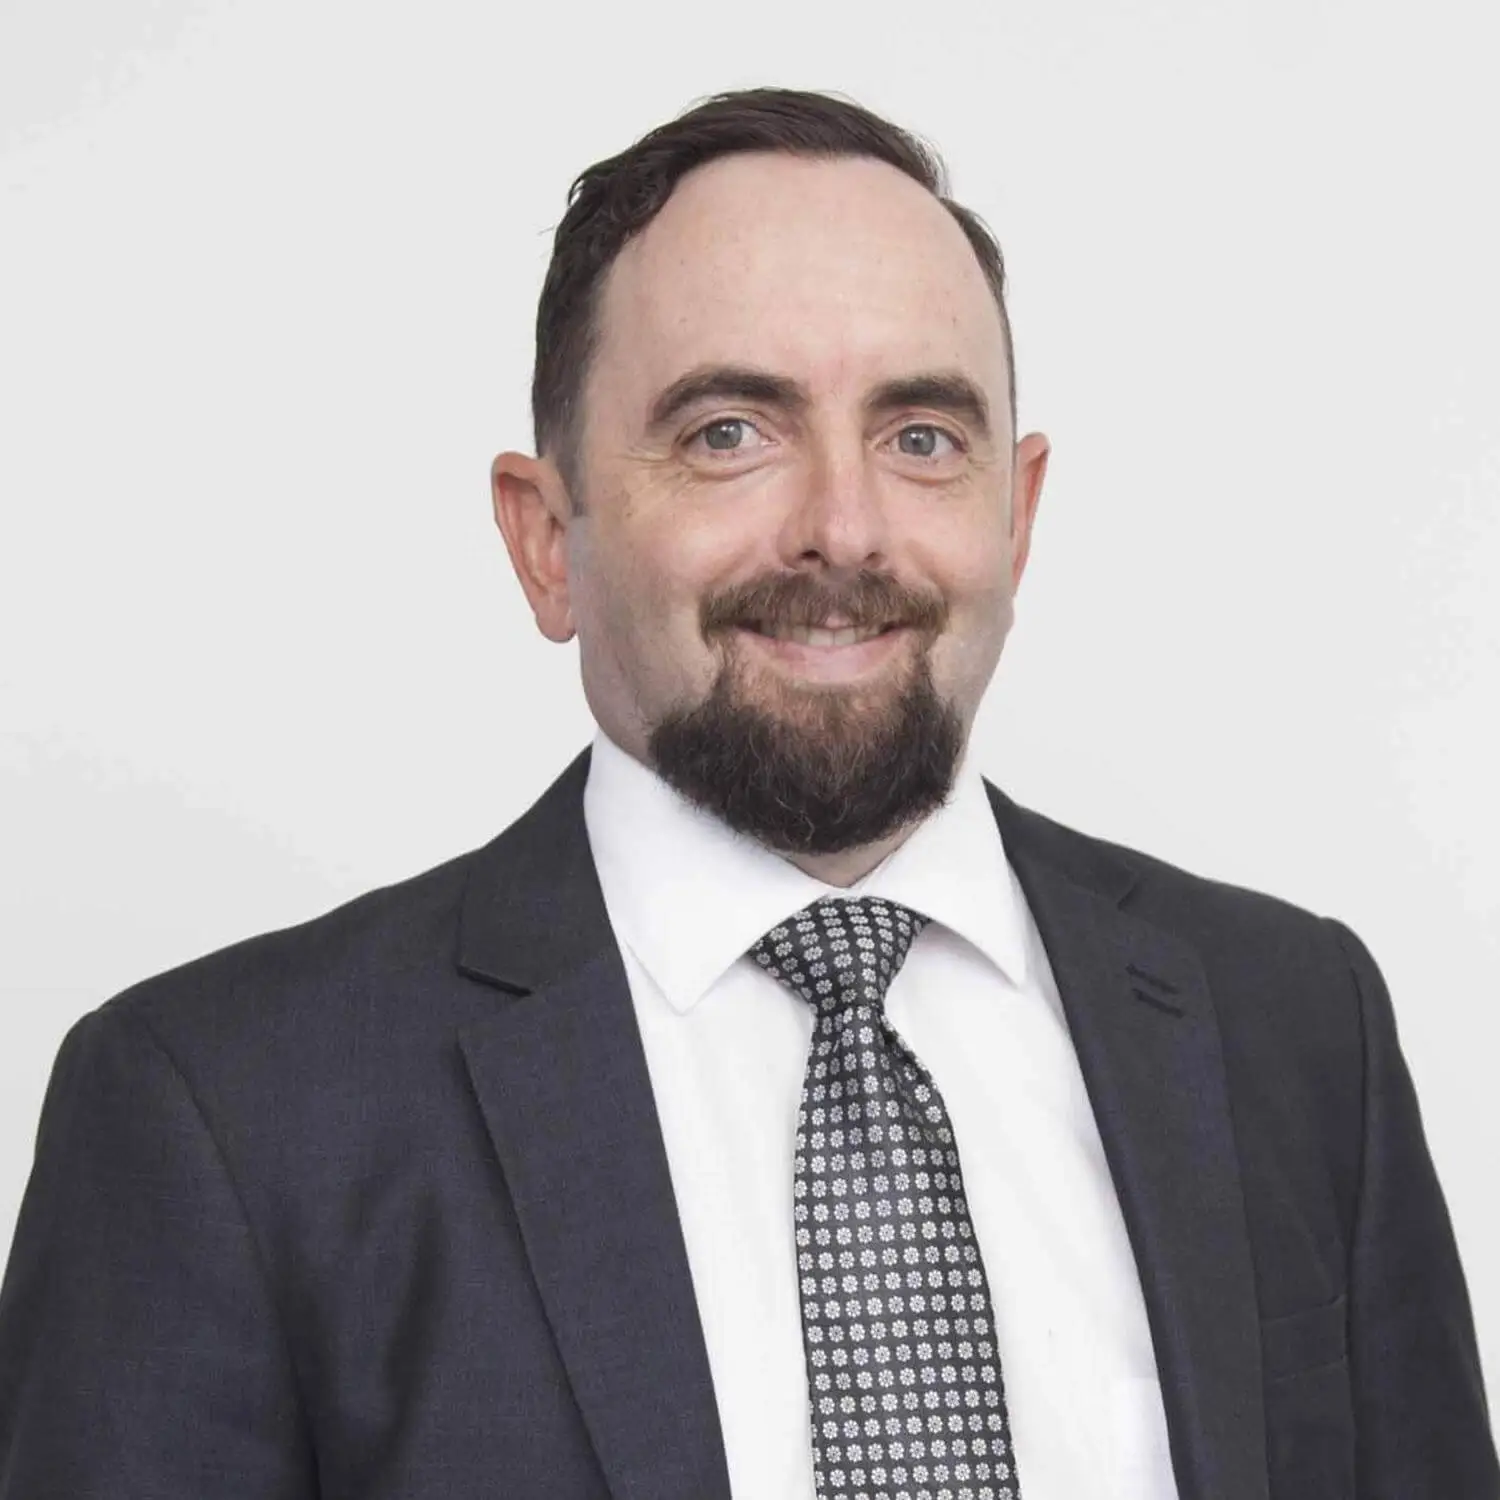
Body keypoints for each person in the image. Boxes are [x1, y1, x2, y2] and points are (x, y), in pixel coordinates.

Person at [0, 86, 1493, 1500]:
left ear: (1018, 517)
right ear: (545, 538)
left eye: (922, 438)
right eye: (730, 433)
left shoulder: (1296, 1029)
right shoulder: (225, 1117)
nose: (844, 530)